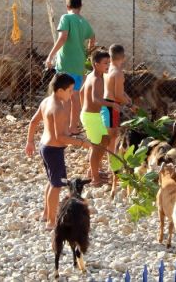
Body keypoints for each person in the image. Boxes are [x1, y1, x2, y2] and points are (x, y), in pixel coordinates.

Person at [25, 73, 91, 231]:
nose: (71, 94)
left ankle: (46, 214)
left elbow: (33, 122)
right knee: (57, 185)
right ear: (60, 90)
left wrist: (30, 141)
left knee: (51, 181)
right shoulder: (59, 108)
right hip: (54, 150)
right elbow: (60, 137)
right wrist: (82, 143)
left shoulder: (46, 101)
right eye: (70, 90)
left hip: (44, 146)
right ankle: (51, 221)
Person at [45, 0, 95, 135]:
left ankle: (64, 128)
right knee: (75, 97)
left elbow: (63, 38)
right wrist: (87, 51)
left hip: (66, 63)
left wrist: (50, 55)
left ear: (67, 6)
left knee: (65, 98)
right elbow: (93, 37)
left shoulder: (65, 18)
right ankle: (73, 127)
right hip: (79, 64)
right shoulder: (84, 22)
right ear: (80, 6)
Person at [102, 44, 138, 195]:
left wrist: (128, 100)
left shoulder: (108, 70)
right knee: (112, 144)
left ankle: (112, 173)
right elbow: (118, 95)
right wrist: (130, 104)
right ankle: (113, 175)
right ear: (123, 58)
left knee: (113, 141)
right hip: (112, 108)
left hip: (107, 107)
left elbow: (119, 92)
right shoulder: (118, 73)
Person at [80, 50, 120, 187]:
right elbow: (95, 99)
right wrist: (112, 104)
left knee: (104, 141)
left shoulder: (91, 75)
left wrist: (83, 108)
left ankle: (92, 172)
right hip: (92, 117)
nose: (108, 65)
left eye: (109, 62)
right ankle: (95, 178)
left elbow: (81, 92)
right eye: (105, 63)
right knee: (97, 147)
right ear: (96, 64)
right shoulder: (97, 79)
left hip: (91, 115)